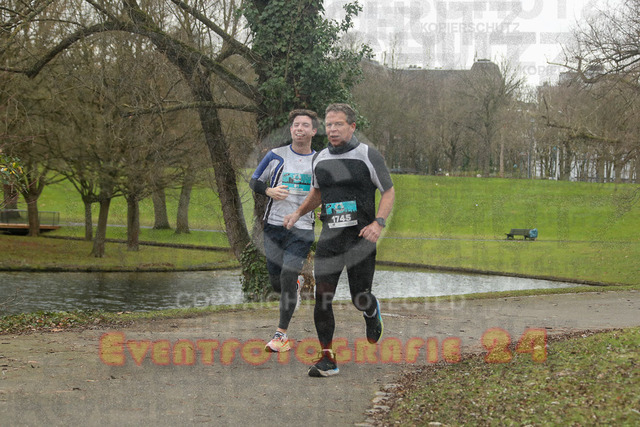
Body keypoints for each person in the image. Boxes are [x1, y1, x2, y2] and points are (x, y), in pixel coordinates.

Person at [283, 103, 395, 377]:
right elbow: (317, 193)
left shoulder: (367, 155)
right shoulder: (320, 158)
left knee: (360, 297)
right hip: (330, 238)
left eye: (339, 124)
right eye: (329, 125)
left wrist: (378, 223)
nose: (333, 129)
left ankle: (371, 311)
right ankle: (328, 359)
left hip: (360, 239)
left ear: (352, 126)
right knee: (322, 297)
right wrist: (298, 212)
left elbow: (388, 191)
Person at [249, 109, 319, 353]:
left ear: (313, 131)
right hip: (274, 227)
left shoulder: (319, 161)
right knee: (277, 282)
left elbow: (325, 191)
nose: (299, 129)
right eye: (296, 125)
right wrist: (269, 191)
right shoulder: (275, 155)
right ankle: (295, 284)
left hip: (302, 229)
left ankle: (281, 335)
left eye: (305, 125)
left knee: (288, 274)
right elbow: (254, 181)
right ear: (291, 130)